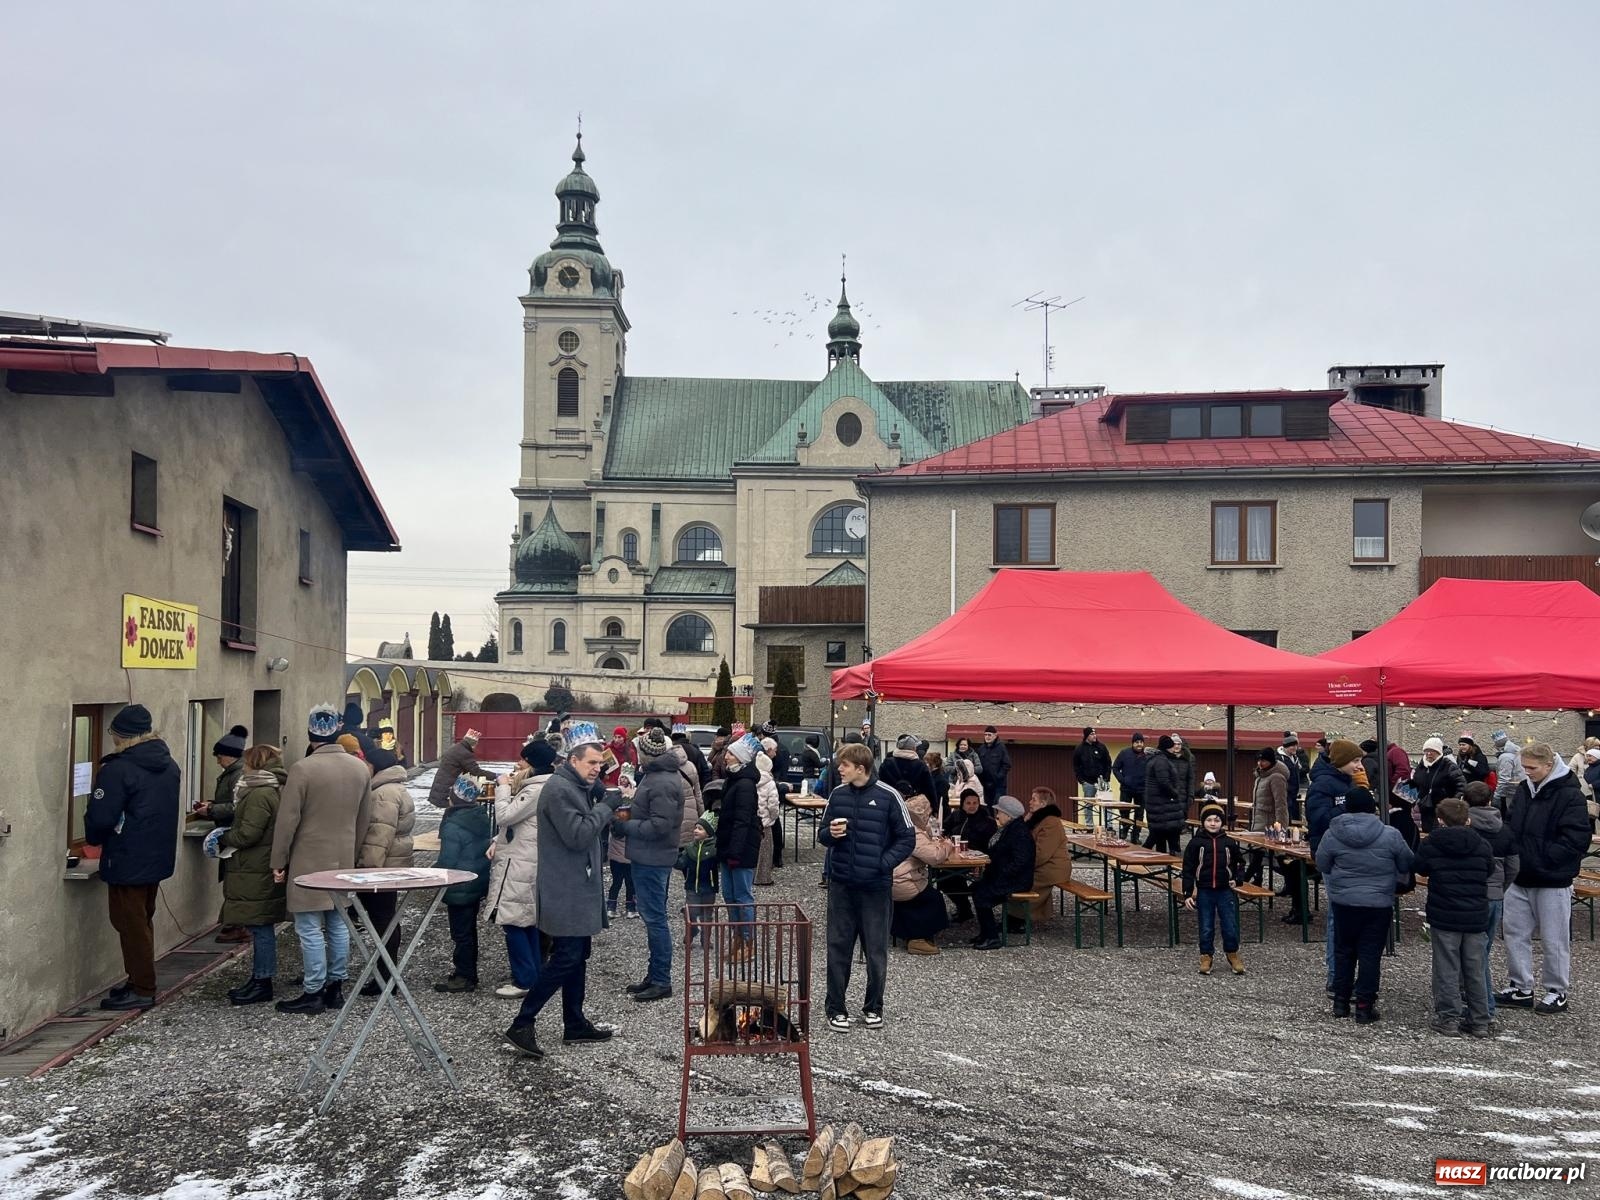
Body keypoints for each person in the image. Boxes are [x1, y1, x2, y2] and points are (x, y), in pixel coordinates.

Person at [504, 723, 629, 1059]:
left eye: (599, 764)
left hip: (578, 885)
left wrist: (601, 801)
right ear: (572, 761)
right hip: (565, 888)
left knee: (578, 957)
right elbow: (577, 834)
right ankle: (522, 1022)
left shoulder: (578, 788)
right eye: (591, 764)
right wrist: (606, 808)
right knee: (566, 957)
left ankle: (574, 1023)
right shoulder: (559, 790)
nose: (597, 769)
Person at [270, 705, 373, 1014]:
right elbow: (363, 819)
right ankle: (335, 987)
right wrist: (351, 854)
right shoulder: (359, 769)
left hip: (308, 857)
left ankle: (313, 990)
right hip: (343, 856)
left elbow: (287, 821)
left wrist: (279, 860)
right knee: (339, 924)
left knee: (309, 927)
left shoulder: (303, 769)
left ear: (310, 733)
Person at [85, 704, 181, 1011]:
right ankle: (136, 979)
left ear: (121, 735)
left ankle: (142, 987)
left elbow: (101, 819)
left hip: (126, 857)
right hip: (156, 855)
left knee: (129, 924)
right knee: (142, 919)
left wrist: (93, 840)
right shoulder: (169, 765)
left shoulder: (117, 770)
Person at [816, 742, 915, 1028]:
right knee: (838, 948)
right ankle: (836, 1008)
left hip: (875, 887)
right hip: (842, 885)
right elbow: (823, 834)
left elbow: (907, 838)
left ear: (861, 767)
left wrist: (883, 864)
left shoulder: (889, 796)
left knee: (875, 950)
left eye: (844, 764)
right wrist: (831, 834)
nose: (839, 769)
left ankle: (874, 1007)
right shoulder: (837, 794)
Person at [1498, 740, 1590, 1016]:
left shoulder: (1570, 795)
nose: (1527, 772)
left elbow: (1576, 838)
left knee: (1554, 938)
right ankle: (1520, 986)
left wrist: (1545, 858)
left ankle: (1557, 990)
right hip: (1520, 875)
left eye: (1532, 768)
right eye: (1524, 767)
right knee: (1514, 933)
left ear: (1549, 766)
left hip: (1552, 878)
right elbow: (1513, 822)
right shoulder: (1526, 789)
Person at [1315, 786, 1413, 1024]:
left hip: (1344, 901)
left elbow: (1322, 864)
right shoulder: (1390, 834)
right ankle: (1364, 1005)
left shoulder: (1333, 833)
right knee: (1370, 954)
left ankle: (1340, 1001)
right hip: (1378, 902)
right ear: (1373, 808)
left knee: (1344, 950)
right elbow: (1407, 862)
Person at [612, 725, 686, 1003]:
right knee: (652, 917)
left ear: (644, 753)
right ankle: (654, 974)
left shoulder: (662, 782)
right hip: (647, 856)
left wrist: (627, 826)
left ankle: (661, 980)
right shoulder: (655, 777)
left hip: (654, 859)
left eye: (636, 749)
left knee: (656, 919)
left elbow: (661, 826)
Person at [1412, 796, 1495, 1037]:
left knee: (1446, 966)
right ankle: (1480, 1019)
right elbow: (1489, 870)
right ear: (1467, 819)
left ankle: (1449, 1017)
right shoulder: (1481, 844)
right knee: (1476, 968)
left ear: (1440, 819)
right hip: (1475, 912)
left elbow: (1420, 867)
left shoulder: (1433, 843)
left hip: (1444, 911)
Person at [215, 744, 287, 1006]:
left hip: (255, 867)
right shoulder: (273, 787)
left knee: (261, 926)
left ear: (255, 763)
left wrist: (222, 838)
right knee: (260, 924)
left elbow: (248, 834)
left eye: (246, 762)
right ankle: (259, 978)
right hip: (258, 866)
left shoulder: (260, 793)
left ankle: (262, 980)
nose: (243, 767)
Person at [354, 746, 415, 995]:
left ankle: (385, 977)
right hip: (394, 864)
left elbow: (379, 836)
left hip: (382, 868)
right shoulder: (394, 788)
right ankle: (386, 974)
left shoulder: (383, 794)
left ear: (375, 767)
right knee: (386, 920)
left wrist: (366, 871)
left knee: (383, 921)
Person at [487, 759, 547, 1004]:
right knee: (525, 921)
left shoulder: (535, 789)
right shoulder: (540, 787)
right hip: (524, 858)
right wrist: (496, 841)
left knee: (512, 921)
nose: (514, 769)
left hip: (522, 863)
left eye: (520, 762)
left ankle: (524, 980)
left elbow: (504, 816)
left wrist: (502, 787)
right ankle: (533, 974)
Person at [1306, 739, 1364, 982]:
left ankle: (1344, 972)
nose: (1360, 766)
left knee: (1349, 914)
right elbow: (1318, 819)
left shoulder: (1348, 781)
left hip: (1350, 852)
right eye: (1355, 761)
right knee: (1337, 915)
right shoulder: (1322, 785)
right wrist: (1349, 806)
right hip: (1331, 853)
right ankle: (1335, 975)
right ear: (1341, 762)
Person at [433, 762, 494, 993]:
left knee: (460, 933)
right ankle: (468, 973)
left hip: (459, 887)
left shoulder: (453, 825)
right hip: (475, 883)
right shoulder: (480, 818)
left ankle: (464, 975)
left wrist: (433, 874)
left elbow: (448, 859)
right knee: (468, 931)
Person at [1464, 781, 1518, 1023]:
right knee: (1482, 952)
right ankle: (1479, 1000)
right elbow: (1513, 867)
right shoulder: (1505, 830)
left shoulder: (1464, 828)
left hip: (1469, 894)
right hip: (1494, 893)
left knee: (1470, 955)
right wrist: (1501, 888)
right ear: (1489, 801)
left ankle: (1484, 1005)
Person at [198, 723, 251, 944]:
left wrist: (211, 809)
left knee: (234, 882)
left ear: (228, 756)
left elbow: (238, 806)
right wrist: (212, 806)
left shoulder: (237, 774)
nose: (218, 761)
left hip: (234, 836)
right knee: (232, 881)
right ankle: (233, 924)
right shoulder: (234, 772)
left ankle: (235, 925)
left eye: (219, 757)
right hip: (231, 835)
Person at [1181, 802, 1247, 976]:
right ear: (1203, 822)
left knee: (1230, 924)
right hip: (1204, 890)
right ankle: (1206, 955)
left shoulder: (1229, 842)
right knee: (1206, 925)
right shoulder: (1195, 843)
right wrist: (1188, 892)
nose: (1213, 823)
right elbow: (1187, 868)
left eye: (1217, 820)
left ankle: (1232, 953)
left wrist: (1237, 880)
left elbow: (1240, 862)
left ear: (1222, 822)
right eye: (1209, 820)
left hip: (1225, 890)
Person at [716, 733, 764, 957]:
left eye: (731, 754)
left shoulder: (745, 784)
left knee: (742, 897)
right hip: (729, 847)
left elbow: (743, 820)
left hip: (740, 849)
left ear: (741, 758)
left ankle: (748, 942)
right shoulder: (733, 779)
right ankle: (737, 938)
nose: (726, 757)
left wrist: (735, 851)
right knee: (729, 896)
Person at [970, 796, 1035, 951]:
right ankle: (986, 933)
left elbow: (1020, 862)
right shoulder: (1010, 829)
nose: (997, 815)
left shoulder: (1019, 833)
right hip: (1007, 877)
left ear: (1008, 814)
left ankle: (992, 937)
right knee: (977, 887)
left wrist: (999, 874)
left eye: (999, 812)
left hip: (1016, 881)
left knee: (982, 894)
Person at [891, 791, 951, 955]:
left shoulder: (898, 826)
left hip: (888, 879)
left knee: (923, 894)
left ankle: (907, 934)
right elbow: (935, 857)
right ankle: (918, 938)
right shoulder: (914, 832)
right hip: (902, 881)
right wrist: (947, 845)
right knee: (934, 898)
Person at [939, 787, 997, 922]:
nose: (972, 806)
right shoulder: (956, 815)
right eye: (968, 803)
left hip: (978, 861)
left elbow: (991, 844)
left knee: (952, 877)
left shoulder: (987, 820)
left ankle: (965, 909)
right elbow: (944, 830)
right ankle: (964, 907)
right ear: (962, 804)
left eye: (975, 803)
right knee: (943, 879)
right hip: (956, 858)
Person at [1025, 787, 1072, 922]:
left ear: (1043, 804)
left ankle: (1018, 918)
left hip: (1053, 868)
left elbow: (1042, 854)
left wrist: (1023, 866)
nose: (1030, 802)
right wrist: (1025, 823)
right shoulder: (1038, 820)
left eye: (1034, 799)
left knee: (1021, 882)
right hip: (1046, 865)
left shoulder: (1051, 822)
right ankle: (1021, 916)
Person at [1245, 747, 1290, 885]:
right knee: (1257, 855)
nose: (1260, 763)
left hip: (1270, 824)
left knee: (1276, 857)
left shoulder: (1276, 777)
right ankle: (1253, 881)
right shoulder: (1260, 777)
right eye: (1259, 760)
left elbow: (1280, 804)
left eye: (1263, 760)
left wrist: (1280, 827)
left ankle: (1244, 881)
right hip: (1259, 821)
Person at [1143, 735, 1190, 856]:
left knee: (1159, 832)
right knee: (1160, 831)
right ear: (1167, 747)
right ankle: (1142, 854)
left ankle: (1161, 855)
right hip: (1162, 802)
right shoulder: (1161, 761)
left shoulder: (1157, 759)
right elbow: (1163, 782)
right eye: (1171, 746)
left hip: (1158, 802)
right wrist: (1174, 793)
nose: (1174, 748)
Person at [678, 811, 720, 947]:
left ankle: (706, 940)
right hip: (692, 886)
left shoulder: (715, 849)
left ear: (708, 833)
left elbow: (719, 865)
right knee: (691, 912)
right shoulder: (690, 848)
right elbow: (682, 863)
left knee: (707, 915)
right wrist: (674, 859)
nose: (696, 830)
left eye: (700, 828)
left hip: (709, 888)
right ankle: (692, 930)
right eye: (695, 828)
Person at [1411, 737, 1464, 833]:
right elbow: (1415, 783)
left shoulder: (1448, 765)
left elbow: (1461, 785)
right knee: (1427, 833)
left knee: (1441, 834)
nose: (1429, 753)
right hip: (1425, 808)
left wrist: (1452, 802)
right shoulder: (1422, 765)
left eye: (1432, 751)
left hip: (1443, 809)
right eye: (1426, 750)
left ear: (1439, 752)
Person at [1112, 733, 1150, 843]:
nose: (1139, 744)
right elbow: (1115, 768)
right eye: (1137, 742)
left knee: (1139, 814)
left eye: (1141, 742)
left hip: (1141, 790)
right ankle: (1124, 830)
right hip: (1126, 789)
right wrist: (1123, 780)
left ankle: (1136, 836)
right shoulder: (1124, 753)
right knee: (1124, 811)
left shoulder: (1147, 755)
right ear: (1133, 743)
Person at [429, 729, 482, 808]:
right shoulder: (464, 752)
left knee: (452, 811)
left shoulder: (456, 748)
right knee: (455, 810)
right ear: (473, 744)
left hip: (441, 788)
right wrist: (496, 776)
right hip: (447, 789)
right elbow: (476, 771)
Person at [754, 737, 782, 886]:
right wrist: (773, 818)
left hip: (753, 820)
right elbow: (773, 804)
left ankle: (751, 876)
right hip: (765, 822)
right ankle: (763, 878)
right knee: (765, 852)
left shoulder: (751, 779)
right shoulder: (770, 783)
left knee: (753, 850)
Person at [880, 734, 936, 806]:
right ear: (913, 748)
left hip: (889, 804)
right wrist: (934, 808)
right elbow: (929, 789)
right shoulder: (920, 765)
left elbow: (881, 785)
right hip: (915, 807)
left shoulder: (887, 763)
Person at [606, 818, 636, 918]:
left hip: (615, 859)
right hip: (629, 860)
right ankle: (630, 909)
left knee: (616, 883)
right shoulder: (632, 829)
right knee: (630, 884)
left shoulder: (614, 827)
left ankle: (611, 908)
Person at [1491, 729, 1526, 815]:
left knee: (1510, 815)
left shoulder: (1505, 757)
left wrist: (1497, 796)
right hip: (1518, 789)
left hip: (1510, 792)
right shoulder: (1516, 753)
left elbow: (1504, 779)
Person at [1071, 727, 1112, 796]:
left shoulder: (1101, 747)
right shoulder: (1080, 749)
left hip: (1102, 782)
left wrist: (1106, 778)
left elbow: (1108, 763)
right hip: (1088, 783)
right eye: (1092, 734)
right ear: (1087, 736)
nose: (1094, 736)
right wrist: (1082, 781)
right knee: (1088, 805)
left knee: (1105, 804)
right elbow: (1076, 766)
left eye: (1095, 734)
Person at [976, 726, 1011, 802]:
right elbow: (977, 764)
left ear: (995, 735)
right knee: (988, 808)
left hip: (999, 785)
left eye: (989, 735)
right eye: (985, 735)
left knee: (999, 806)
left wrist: (998, 776)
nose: (987, 737)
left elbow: (1007, 764)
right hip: (985, 785)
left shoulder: (1001, 748)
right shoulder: (981, 749)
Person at [672, 724, 712, 789]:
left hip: (674, 789)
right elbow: (705, 772)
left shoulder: (670, 751)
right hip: (693, 789)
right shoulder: (696, 751)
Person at [1278, 735, 1306, 822]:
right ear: (1286, 747)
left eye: (1296, 746)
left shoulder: (1295, 758)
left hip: (1294, 794)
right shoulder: (1279, 759)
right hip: (1285, 794)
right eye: (1292, 746)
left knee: (1293, 820)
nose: (1295, 748)